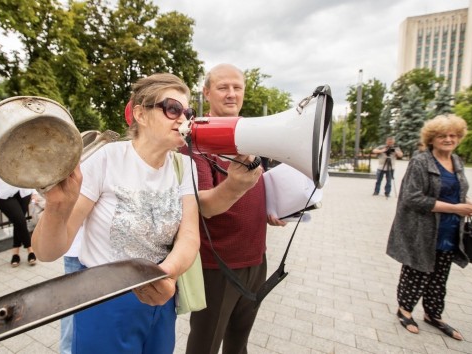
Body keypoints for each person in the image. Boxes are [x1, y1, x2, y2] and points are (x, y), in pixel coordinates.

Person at [32, 73, 200, 353]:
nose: (183, 118)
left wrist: (163, 274)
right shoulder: (106, 159)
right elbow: (47, 252)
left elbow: (190, 236)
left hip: (160, 296)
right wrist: (56, 207)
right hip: (103, 301)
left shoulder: (185, 167)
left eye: (188, 112)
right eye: (173, 108)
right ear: (140, 114)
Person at [182, 63, 286, 354]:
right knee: (206, 344)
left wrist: (274, 209)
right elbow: (202, 205)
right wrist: (236, 184)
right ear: (206, 92)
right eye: (222, 87)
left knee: (239, 344)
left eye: (237, 87)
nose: (231, 94)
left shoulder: (253, 137)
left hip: (256, 258)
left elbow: (257, 188)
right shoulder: (196, 140)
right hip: (218, 266)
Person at [386, 114, 472, 341]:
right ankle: (405, 310)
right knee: (416, 272)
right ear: (432, 138)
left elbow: (453, 191)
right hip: (422, 229)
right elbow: (412, 198)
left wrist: (467, 203)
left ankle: (433, 314)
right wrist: (456, 208)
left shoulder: (456, 161)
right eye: (442, 135)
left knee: (440, 276)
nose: (448, 139)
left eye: (452, 135)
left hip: (449, 230)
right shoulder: (421, 162)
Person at [0, 160, 37, 267]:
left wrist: (34, 192)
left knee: (19, 224)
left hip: (24, 192)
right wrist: (4, 171)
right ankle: (30, 250)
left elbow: (30, 172)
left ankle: (15, 253)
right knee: (20, 221)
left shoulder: (19, 150)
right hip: (4, 195)